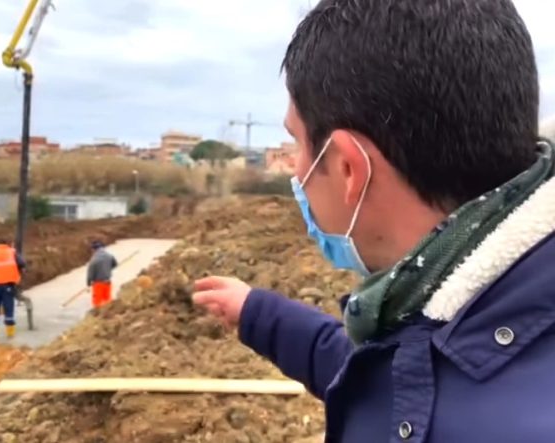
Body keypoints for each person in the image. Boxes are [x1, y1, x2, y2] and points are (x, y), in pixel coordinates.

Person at [193, 1, 555, 442]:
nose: (296, 170)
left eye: (298, 144)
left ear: (349, 168)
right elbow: (380, 372)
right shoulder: (472, 301)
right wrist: (257, 312)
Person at [87, 240, 117, 308]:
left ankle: (97, 316)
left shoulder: (94, 259)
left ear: (94, 249)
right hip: (108, 282)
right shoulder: (109, 256)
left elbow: (90, 274)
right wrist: (107, 269)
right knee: (108, 301)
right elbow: (115, 264)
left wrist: (88, 283)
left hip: (98, 284)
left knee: (97, 303)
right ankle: (108, 315)